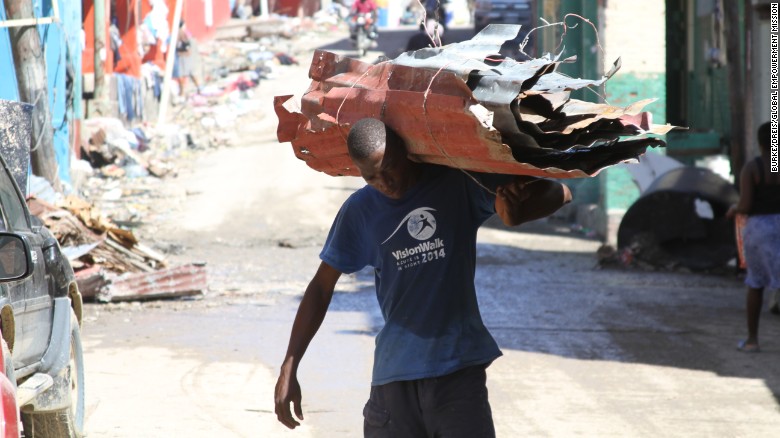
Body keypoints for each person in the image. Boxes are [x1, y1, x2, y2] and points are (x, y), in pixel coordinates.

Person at [274, 118, 572, 436]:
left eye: (389, 167)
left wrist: (518, 212)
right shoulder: (360, 211)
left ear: (406, 152)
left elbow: (561, 192)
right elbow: (321, 287)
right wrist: (289, 365)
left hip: (458, 372)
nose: (384, 182)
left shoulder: (456, 182)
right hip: (393, 380)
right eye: (370, 176)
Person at [726, 121, 780, 353]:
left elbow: (746, 205)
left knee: (756, 284)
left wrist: (733, 209)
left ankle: (752, 340)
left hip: (760, 230)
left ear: (759, 143)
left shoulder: (753, 168)